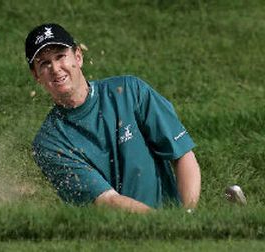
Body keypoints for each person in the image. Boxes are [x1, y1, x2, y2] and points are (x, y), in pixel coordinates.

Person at [25, 23, 201, 213]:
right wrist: (163, 224)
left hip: (172, 225)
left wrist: (187, 215)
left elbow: (182, 155)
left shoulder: (130, 91)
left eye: (61, 57)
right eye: (44, 63)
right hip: (115, 237)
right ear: (36, 75)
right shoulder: (49, 143)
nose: (55, 68)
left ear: (78, 56)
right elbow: (106, 201)